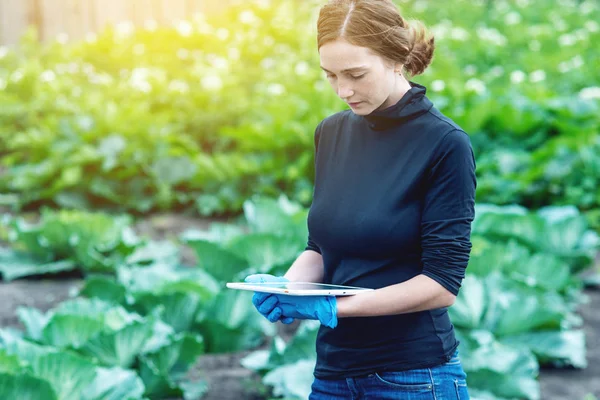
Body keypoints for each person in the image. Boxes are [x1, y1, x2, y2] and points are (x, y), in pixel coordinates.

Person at [245, 0, 476, 398]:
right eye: (330, 75)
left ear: (396, 59)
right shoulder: (331, 133)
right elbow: (321, 247)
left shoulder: (444, 144)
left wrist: (334, 307)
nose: (343, 90)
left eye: (356, 74)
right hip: (334, 373)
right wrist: (287, 288)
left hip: (415, 376)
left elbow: (442, 284)